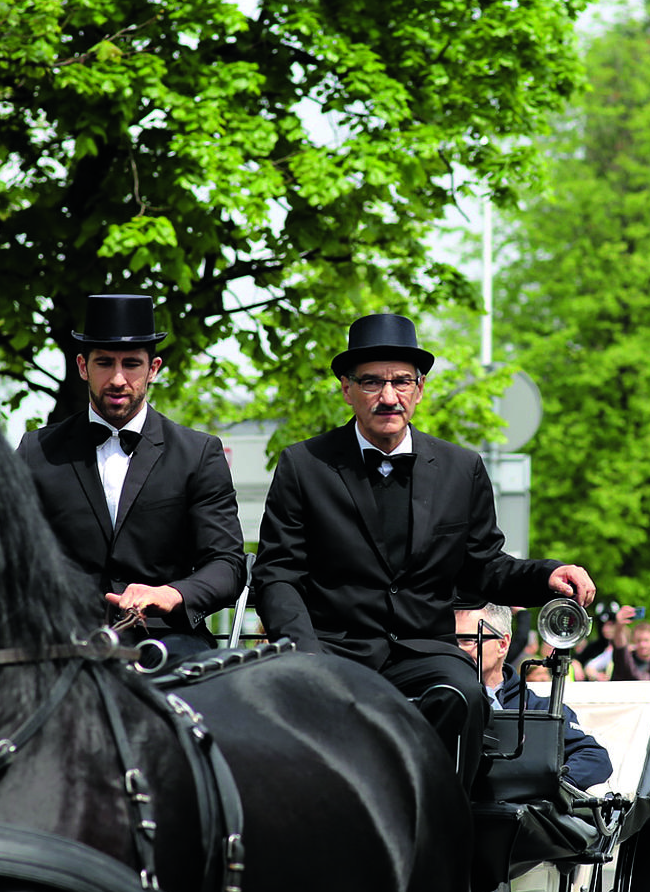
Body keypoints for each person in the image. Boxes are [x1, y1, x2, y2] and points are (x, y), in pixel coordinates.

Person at [252, 314, 596, 785]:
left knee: (464, 694)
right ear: (346, 389)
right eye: (371, 382)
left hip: (423, 654)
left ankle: (441, 828)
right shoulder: (304, 465)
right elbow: (277, 575)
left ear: (420, 387)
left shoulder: (461, 468)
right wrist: (304, 653)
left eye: (400, 381)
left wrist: (547, 576)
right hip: (333, 650)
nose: (388, 396)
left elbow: (484, 567)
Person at [17, 294, 245, 648]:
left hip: (168, 642)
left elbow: (227, 565)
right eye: (105, 363)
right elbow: (12, 552)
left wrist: (172, 594)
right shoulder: (36, 451)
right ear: (82, 366)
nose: (118, 379)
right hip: (61, 642)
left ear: (153, 368)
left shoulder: (198, 453)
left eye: (132, 364)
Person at [455, 604, 611, 790]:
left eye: (467, 640)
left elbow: (594, 758)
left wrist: (546, 788)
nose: (456, 650)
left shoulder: (542, 710)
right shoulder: (433, 700)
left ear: (502, 645)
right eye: (449, 641)